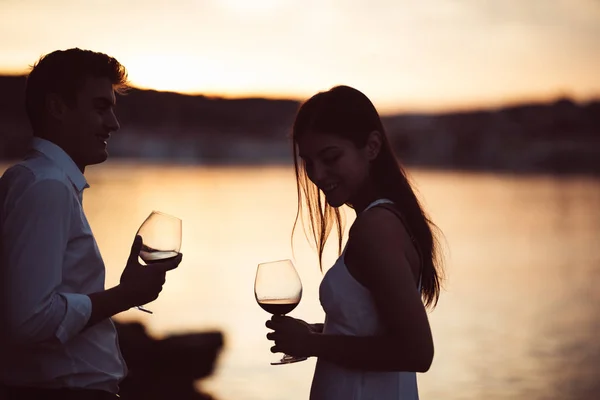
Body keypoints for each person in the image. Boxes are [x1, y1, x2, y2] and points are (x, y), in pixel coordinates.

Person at [0, 48, 182, 400]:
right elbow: (29, 320)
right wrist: (126, 295)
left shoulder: (31, 180)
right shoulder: (46, 187)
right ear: (57, 108)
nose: (113, 123)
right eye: (101, 107)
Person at [266, 85, 444, 399]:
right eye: (308, 161)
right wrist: (322, 332)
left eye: (330, 157)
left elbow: (416, 352)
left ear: (372, 146)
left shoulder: (375, 229)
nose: (318, 174)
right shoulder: (382, 220)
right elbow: (374, 331)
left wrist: (311, 344)